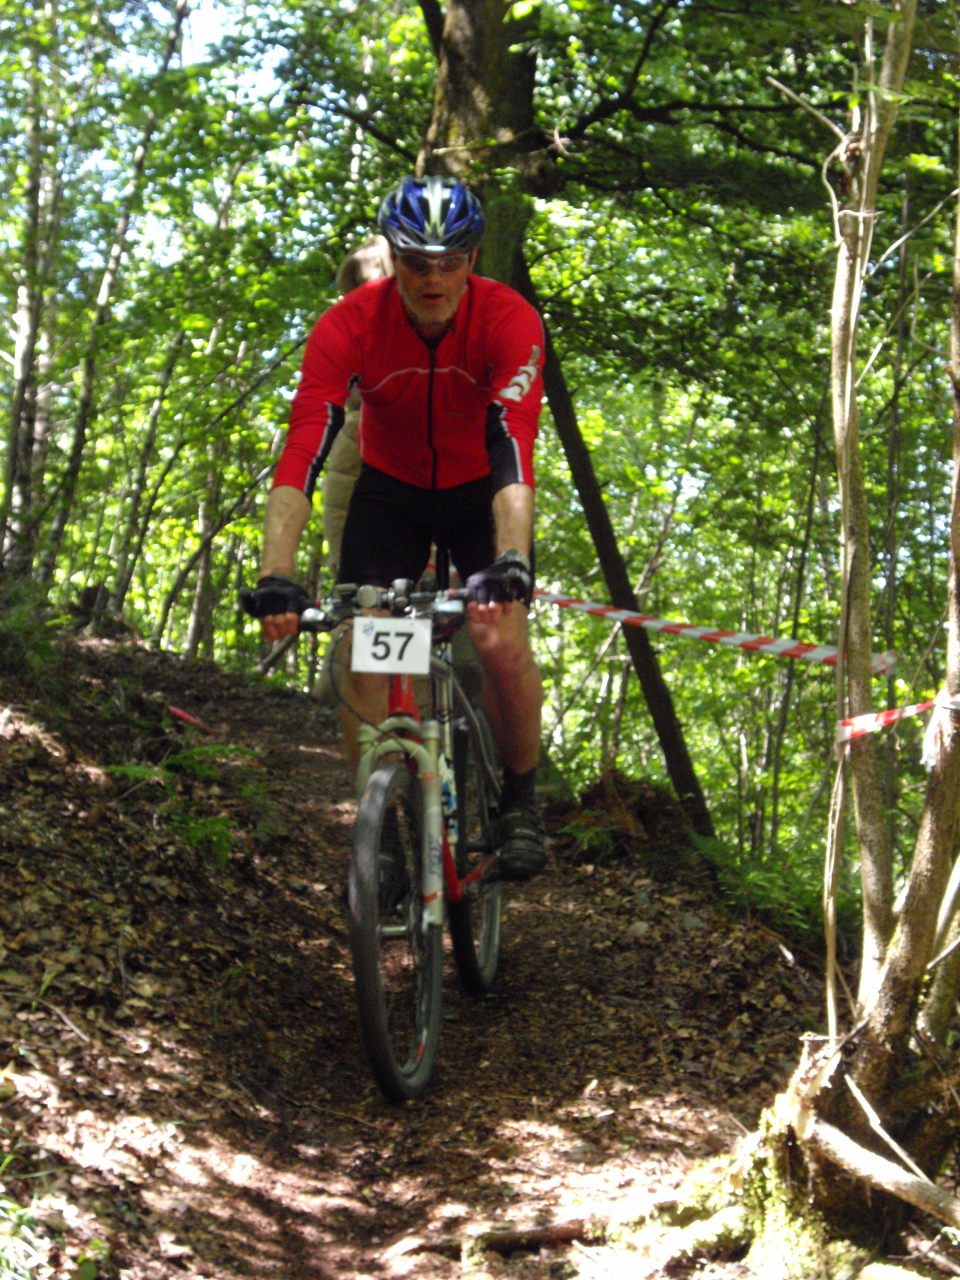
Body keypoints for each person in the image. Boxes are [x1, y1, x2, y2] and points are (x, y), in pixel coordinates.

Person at [245, 175, 547, 881]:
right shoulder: (348, 323)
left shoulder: (508, 319)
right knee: (367, 646)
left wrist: (511, 557)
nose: (433, 279)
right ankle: (378, 823)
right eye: (416, 262)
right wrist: (276, 574)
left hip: (480, 491)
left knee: (498, 638)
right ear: (392, 257)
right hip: (391, 492)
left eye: (450, 262)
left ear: (473, 260)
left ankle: (520, 804)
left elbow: (512, 446)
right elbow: (302, 453)